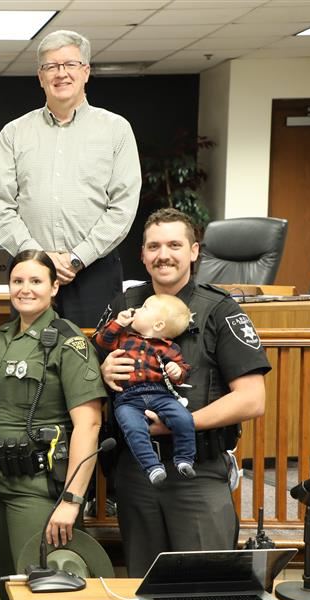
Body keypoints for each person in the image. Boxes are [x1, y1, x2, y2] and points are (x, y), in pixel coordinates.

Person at [99, 208, 271, 576]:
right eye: (154, 246)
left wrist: (180, 424)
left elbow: (253, 399)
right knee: (142, 588)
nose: (164, 254)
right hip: (137, 473)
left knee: (205, 587)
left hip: (198, 473)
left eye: (175, 244)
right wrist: (104, 369)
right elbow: (91, 382)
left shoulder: (220, 310)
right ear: (143, 255)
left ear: (194, 251)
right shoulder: (123, 307)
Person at [0, 249, 105, 600]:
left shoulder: (68, 342)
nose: (25, 289)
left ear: (54, 287)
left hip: (41, 493)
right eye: (18, 281)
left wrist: (71, 500)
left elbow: (89, 425)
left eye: (36, 281)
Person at [0, 29, 141, 328]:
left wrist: (77, 258)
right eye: (51, 67)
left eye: (70, 64)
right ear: (40, 76)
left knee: (93, 362)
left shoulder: (116, 130)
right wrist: (39, 257)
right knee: (27, 364)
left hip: (94, 271)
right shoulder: (14, 133)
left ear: (85, 71)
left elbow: (122, 207)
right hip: (32, 275)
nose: (61, 73)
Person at [94, 294, 195, 485]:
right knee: (133, 427)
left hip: (159, 393)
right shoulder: (124, 339)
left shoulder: (169, 348)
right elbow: (103, 341)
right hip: (127, 398)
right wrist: (118, 322)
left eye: (144, 308)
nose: (136, 310)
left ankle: (184, 459)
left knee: (184, 418)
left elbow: (183, 373)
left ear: (157, 325)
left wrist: (176, 371)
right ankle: (152, 467)